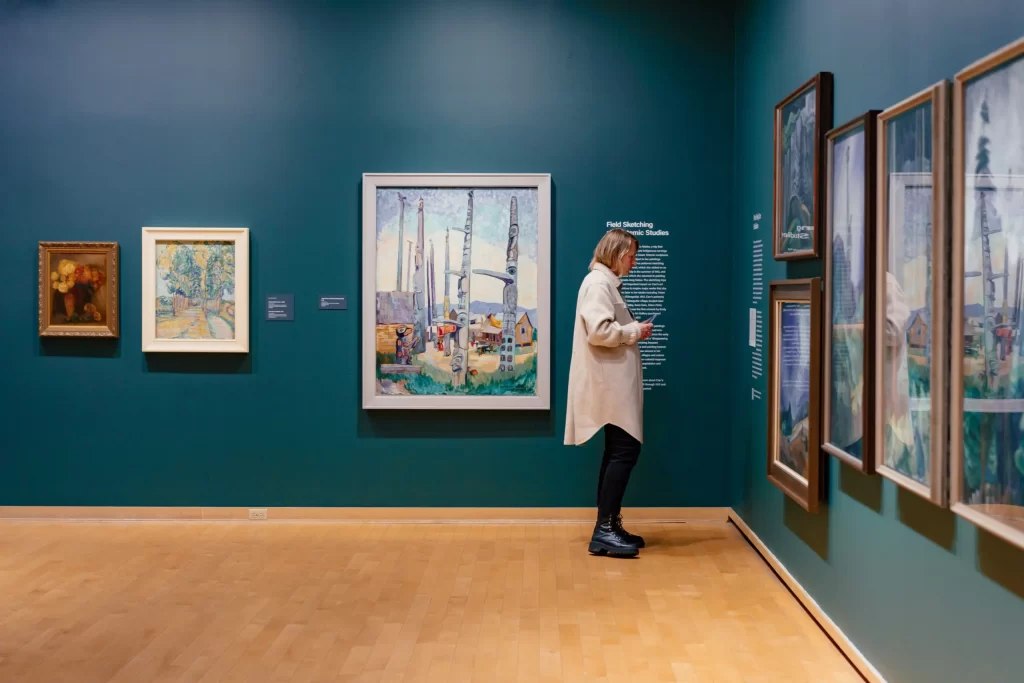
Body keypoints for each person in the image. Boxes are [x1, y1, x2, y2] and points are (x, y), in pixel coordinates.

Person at [565, 229, 654, 558]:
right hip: (609, 386)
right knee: (624, 451)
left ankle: (609, 526)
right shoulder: (599, 284)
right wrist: (634, 331)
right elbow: (599, 331)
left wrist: (631, 331)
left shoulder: (603, 283)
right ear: (616, 254)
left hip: (612, 385)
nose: (634, 262)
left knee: (618, 451)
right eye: (631, 255)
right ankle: (604, 530)